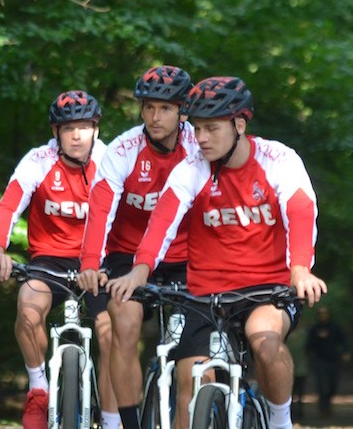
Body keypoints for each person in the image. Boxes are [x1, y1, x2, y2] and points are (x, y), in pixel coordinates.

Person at [107, 76, 327, 429]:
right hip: (207, 295)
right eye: (196, 128)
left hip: (267, 290)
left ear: (239, 125)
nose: (202, 138)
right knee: (189, 385)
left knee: (265, 342)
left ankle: (281, 421)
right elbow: (163, 221)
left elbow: (301, 211)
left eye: (212, 128)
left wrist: (300, 268)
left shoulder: (278, 160)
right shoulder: (192, 169)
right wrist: (140, 270)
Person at [0, 90, 118, 429]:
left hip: (99, 264)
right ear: (56, 133)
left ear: (96, 130)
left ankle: (112, 413)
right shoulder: (38, 160)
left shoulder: (111, 160)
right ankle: (39, 389)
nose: (76, 135)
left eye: (84, 127)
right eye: (68, 127)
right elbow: (10, 204)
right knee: (28, 312)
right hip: (48, 261)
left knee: (110, 332)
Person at [77, 66, 198, 429]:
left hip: (188, 258)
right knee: (123, 321)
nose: (154, 117)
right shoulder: (124, 149)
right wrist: (89, 262)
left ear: (182, 111)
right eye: (148, 108)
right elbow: (99, 210)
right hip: (128, 258)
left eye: (164, 108)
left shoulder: (199, 146)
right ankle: (128, 423)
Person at [307, 305, 349, 416]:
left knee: (333, 385)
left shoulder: (335, 327)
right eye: (321, 313)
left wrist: (345, 352)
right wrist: (318, 338)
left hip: (333, 360)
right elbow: (309, 345)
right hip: (320, 360)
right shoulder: (315, 328)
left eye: (325, 313)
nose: (323, 315)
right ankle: (323, 409)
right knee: (321, 386)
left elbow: (343, 340)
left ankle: (328, 403)